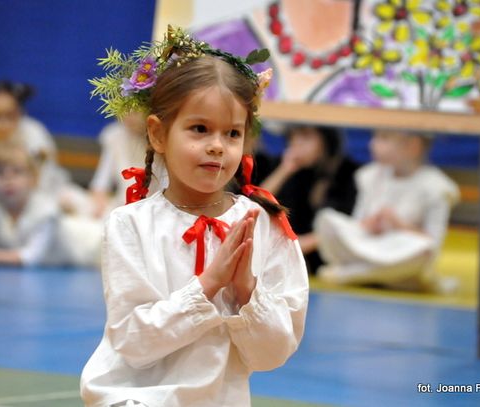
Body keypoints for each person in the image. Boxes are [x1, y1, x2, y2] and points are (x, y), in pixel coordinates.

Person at [80, 27, 309, 407]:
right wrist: (206, 287)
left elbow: (272, 355)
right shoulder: (130, 224)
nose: (217, 146)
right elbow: (133, 343)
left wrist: (246, 292)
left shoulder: (264, 225)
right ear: (158, 134)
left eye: (232, 133)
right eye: (200, 129)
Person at [314, 129, 460, 291]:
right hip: (367, 245)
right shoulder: (369, 176)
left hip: (401, 250)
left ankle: (354, 274)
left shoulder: (437, 187)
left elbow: (433, 244)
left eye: (384, 138)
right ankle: (387, 275)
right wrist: (369, 225)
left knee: (423, 250)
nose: (372, 144)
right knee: (326, 219)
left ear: (413, 146)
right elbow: (356, 225)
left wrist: (399, 225)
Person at [0, 80, 89, 219]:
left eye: (9, 116)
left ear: (20, 112)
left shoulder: (35, 134)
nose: (2, 124)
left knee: (75, 202)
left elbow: (43, 179)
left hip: (34, 195)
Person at [0, 142, 100, 267]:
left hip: (91, 247)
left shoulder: (45, 211)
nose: (8, 180)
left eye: (17, 172)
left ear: (33, 178)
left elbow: (32, 256)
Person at [260, 125, 359, 274]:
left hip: (327, 258)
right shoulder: (283, 166)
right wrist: (284, 170)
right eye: (293, 137)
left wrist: (300, 244)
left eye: (306, 137)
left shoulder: (346, 171)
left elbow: (348, 225)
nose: (296, 144)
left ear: (326, 141)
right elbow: (254, 206)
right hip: (284, 255)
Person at [89, 112, 168, 218]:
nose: (129, 115)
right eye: (126, 110)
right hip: (121, 208)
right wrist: (100, 205)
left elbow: (167, 187)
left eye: (135, 111)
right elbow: (101, 183)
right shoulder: (115, 136)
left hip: (155, 212)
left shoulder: (162, 141)